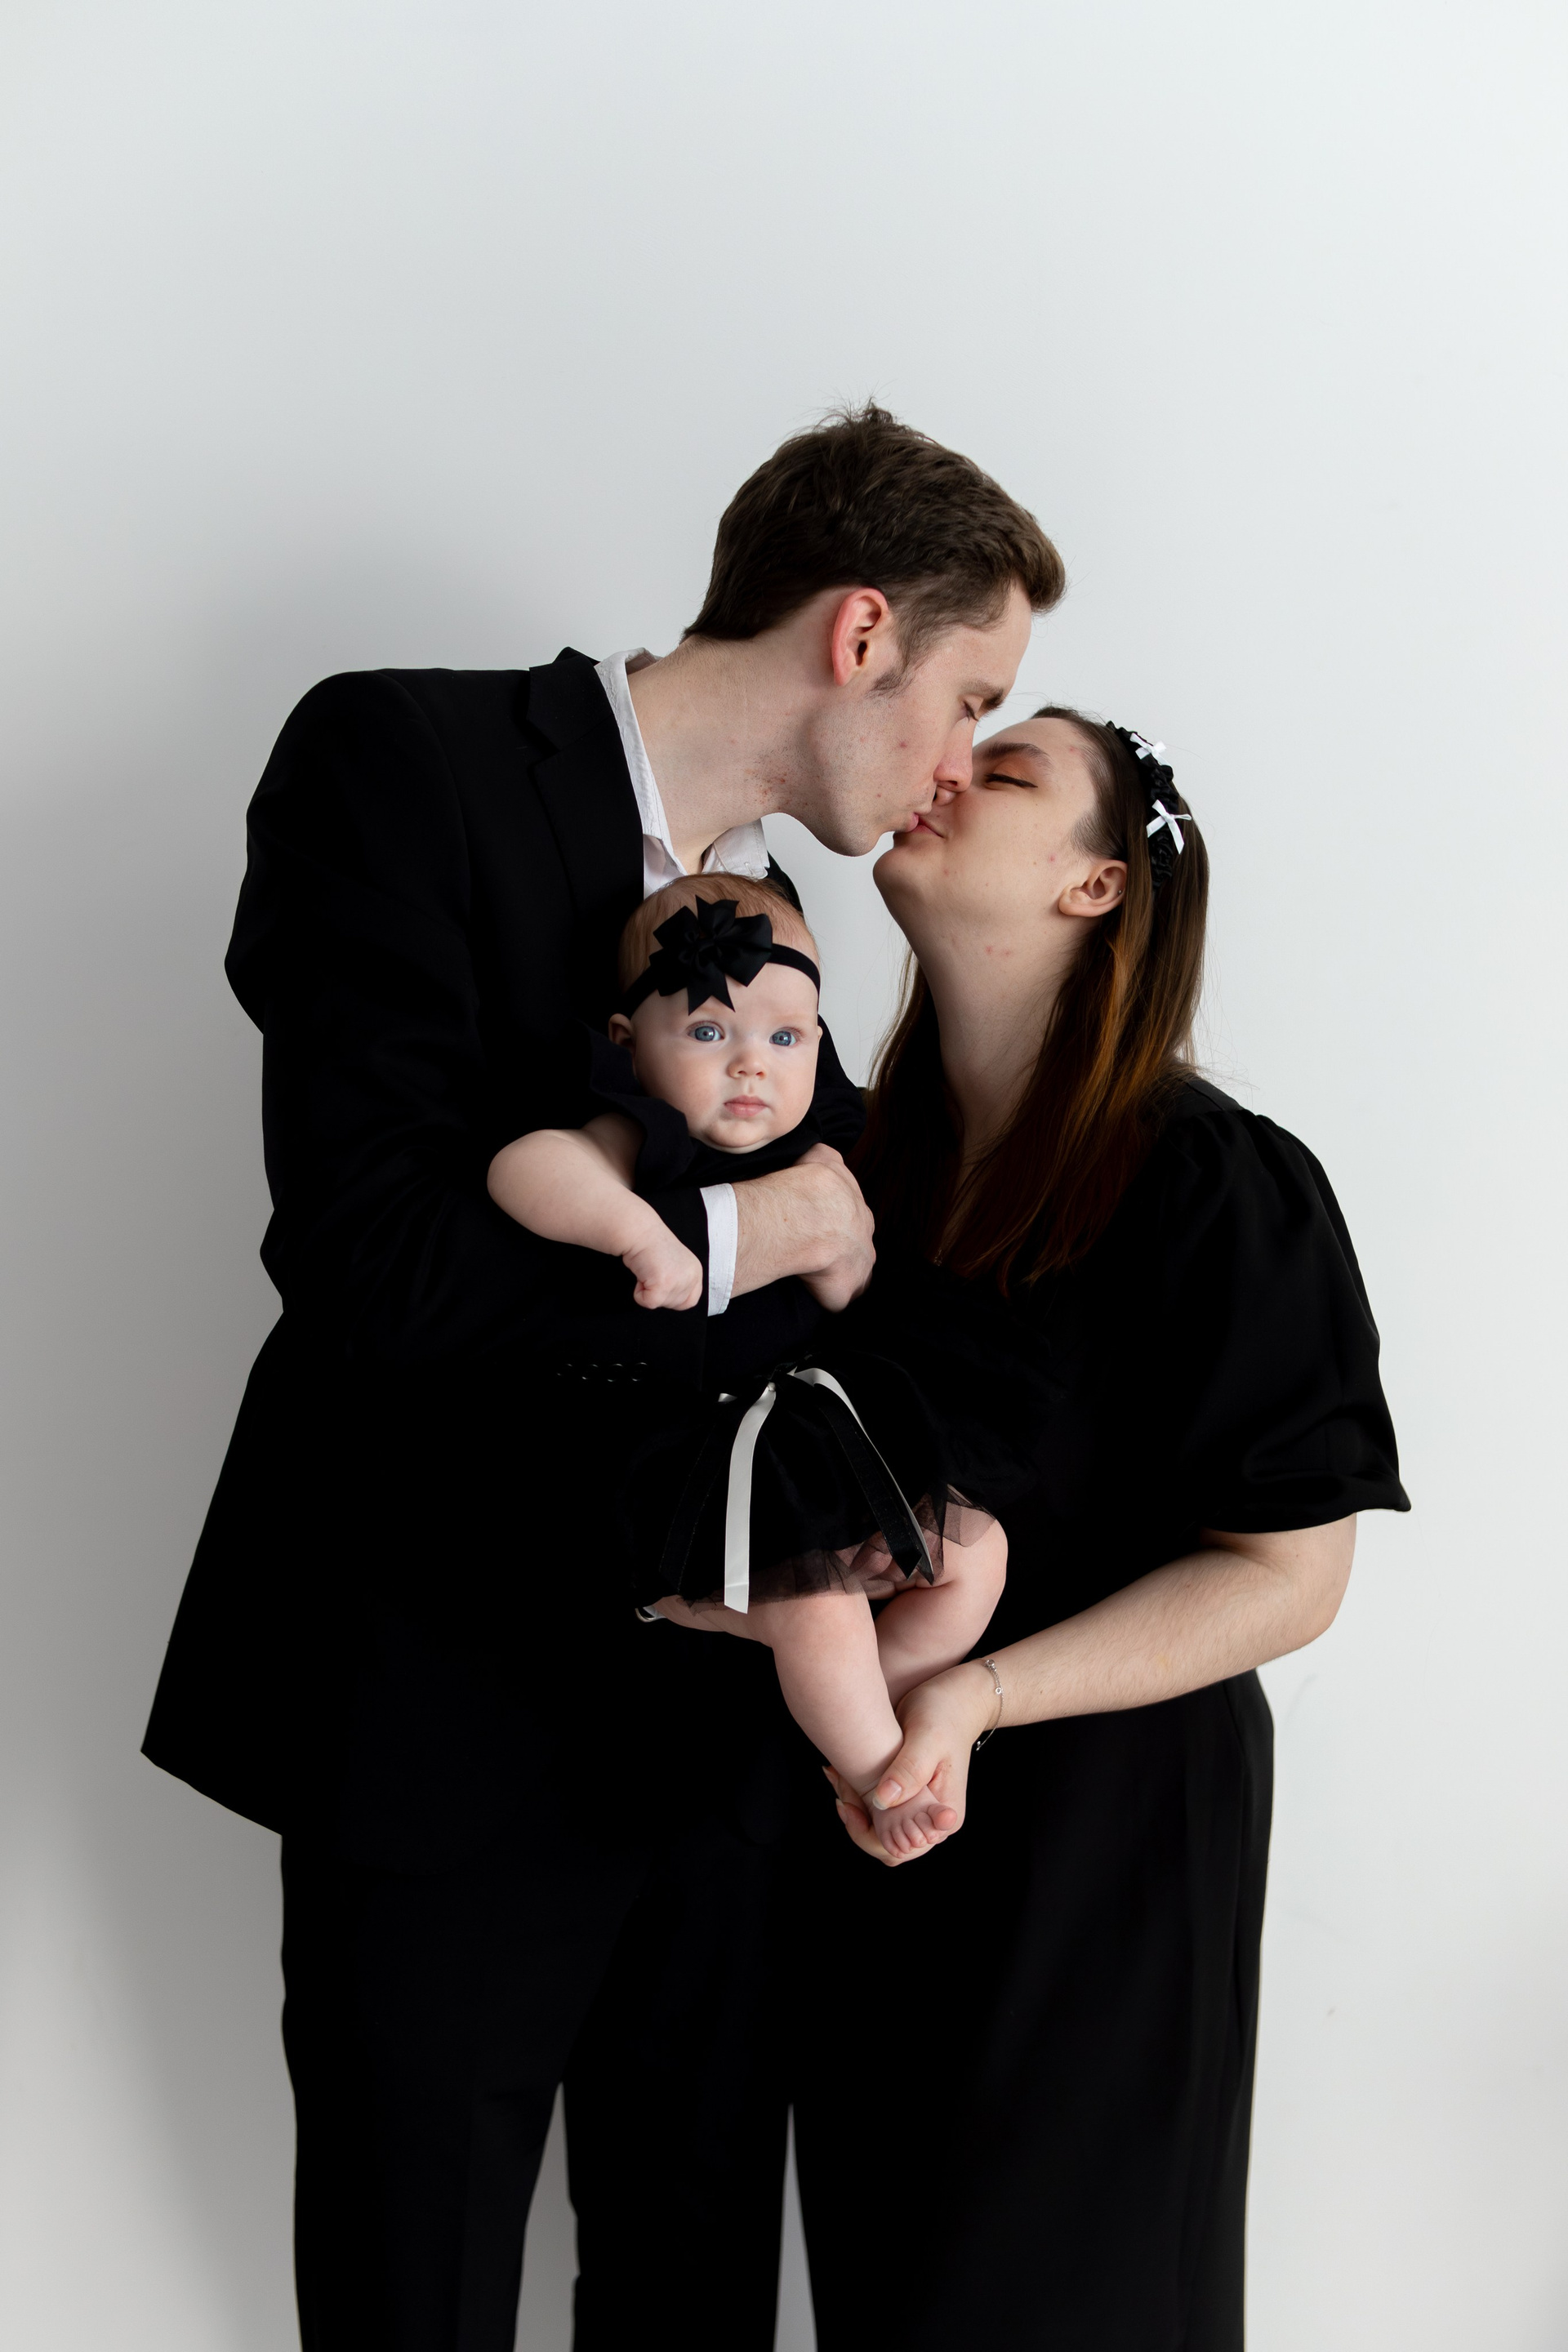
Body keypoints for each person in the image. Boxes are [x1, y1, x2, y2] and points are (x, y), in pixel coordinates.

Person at [140, 405, 1063, 2350]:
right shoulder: (402, 759)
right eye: (970, 695)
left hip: (722, 1768)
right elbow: (377, 1263)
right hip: (441, 1721)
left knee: (697, 2302)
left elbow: (854, 1300)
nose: (957, 763)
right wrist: (740, 1241)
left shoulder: (790, 934)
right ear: (862, 632)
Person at [788, 710, 1410, 2350]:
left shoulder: (1221, 1186)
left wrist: (980, 1696)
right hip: (881, 1843)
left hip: (1107, 1857)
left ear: (1097, 884)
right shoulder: (855, 1178)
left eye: (1007, 771)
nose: (944, 767)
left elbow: (1293, 1575)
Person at [488, 873, 1010, 1856]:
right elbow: (522, 1169)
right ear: (627, 1042)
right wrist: (637, 1233)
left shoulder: (817, 1150)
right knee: (819, 1613)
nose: (750, 1066)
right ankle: (879, 1780)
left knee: (978, 1558)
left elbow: (852, 1288)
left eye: (784, 1039)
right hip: (683, 1456)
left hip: (806, 1441)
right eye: (707, 1031)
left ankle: (873, 1714)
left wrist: (843, 1254)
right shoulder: (643, 1132)